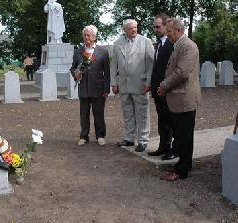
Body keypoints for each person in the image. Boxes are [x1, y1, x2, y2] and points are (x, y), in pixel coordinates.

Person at [158, 18, 202, 181]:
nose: (167, 34)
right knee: (181, 134)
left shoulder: (188, 46)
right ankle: (183, 164)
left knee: (184, 136)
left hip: (184, 98)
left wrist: (164, 86)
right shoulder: (179, 45)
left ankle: (181, 170)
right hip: (178, 97)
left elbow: (182, 72)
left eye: (169, 31)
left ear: (179, 30)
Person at [111, 19, 155, 152]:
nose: (134, 30)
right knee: (127, 112)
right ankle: (130, 138)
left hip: (140, 84)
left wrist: (149, 82)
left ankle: (143, 140)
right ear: (124, 30)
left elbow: (151, 64)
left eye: (135, 27)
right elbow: (114, 65)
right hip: (123, 84)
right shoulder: (117, 43)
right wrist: (114, 83)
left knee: (142, 113)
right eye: (131, 28)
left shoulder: (145, 41)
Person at [70, 25, 110, 146]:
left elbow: (107, 72)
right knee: (84, 114)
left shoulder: (103, 51)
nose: (86, 37)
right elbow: (72, 68)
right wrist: (75, 74)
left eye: (88, 35)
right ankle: (84, 136)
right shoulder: (78, 51)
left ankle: (100, 136)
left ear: (94, 37)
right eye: (84, 35)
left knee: (99, 114)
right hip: (83, 88)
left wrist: (106, 89)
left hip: (98, 88)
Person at [148, 13, 177, 160]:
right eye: (154, 26)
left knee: (170, 120)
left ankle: (172, 149)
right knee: (162, 119)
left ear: (166, 26)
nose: (156, 29)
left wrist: (165, 86)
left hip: (167, 89)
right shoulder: (159, 43)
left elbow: (172, 69)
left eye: (158, 26)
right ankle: (163, 146)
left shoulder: (172, 44)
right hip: (157, 89)